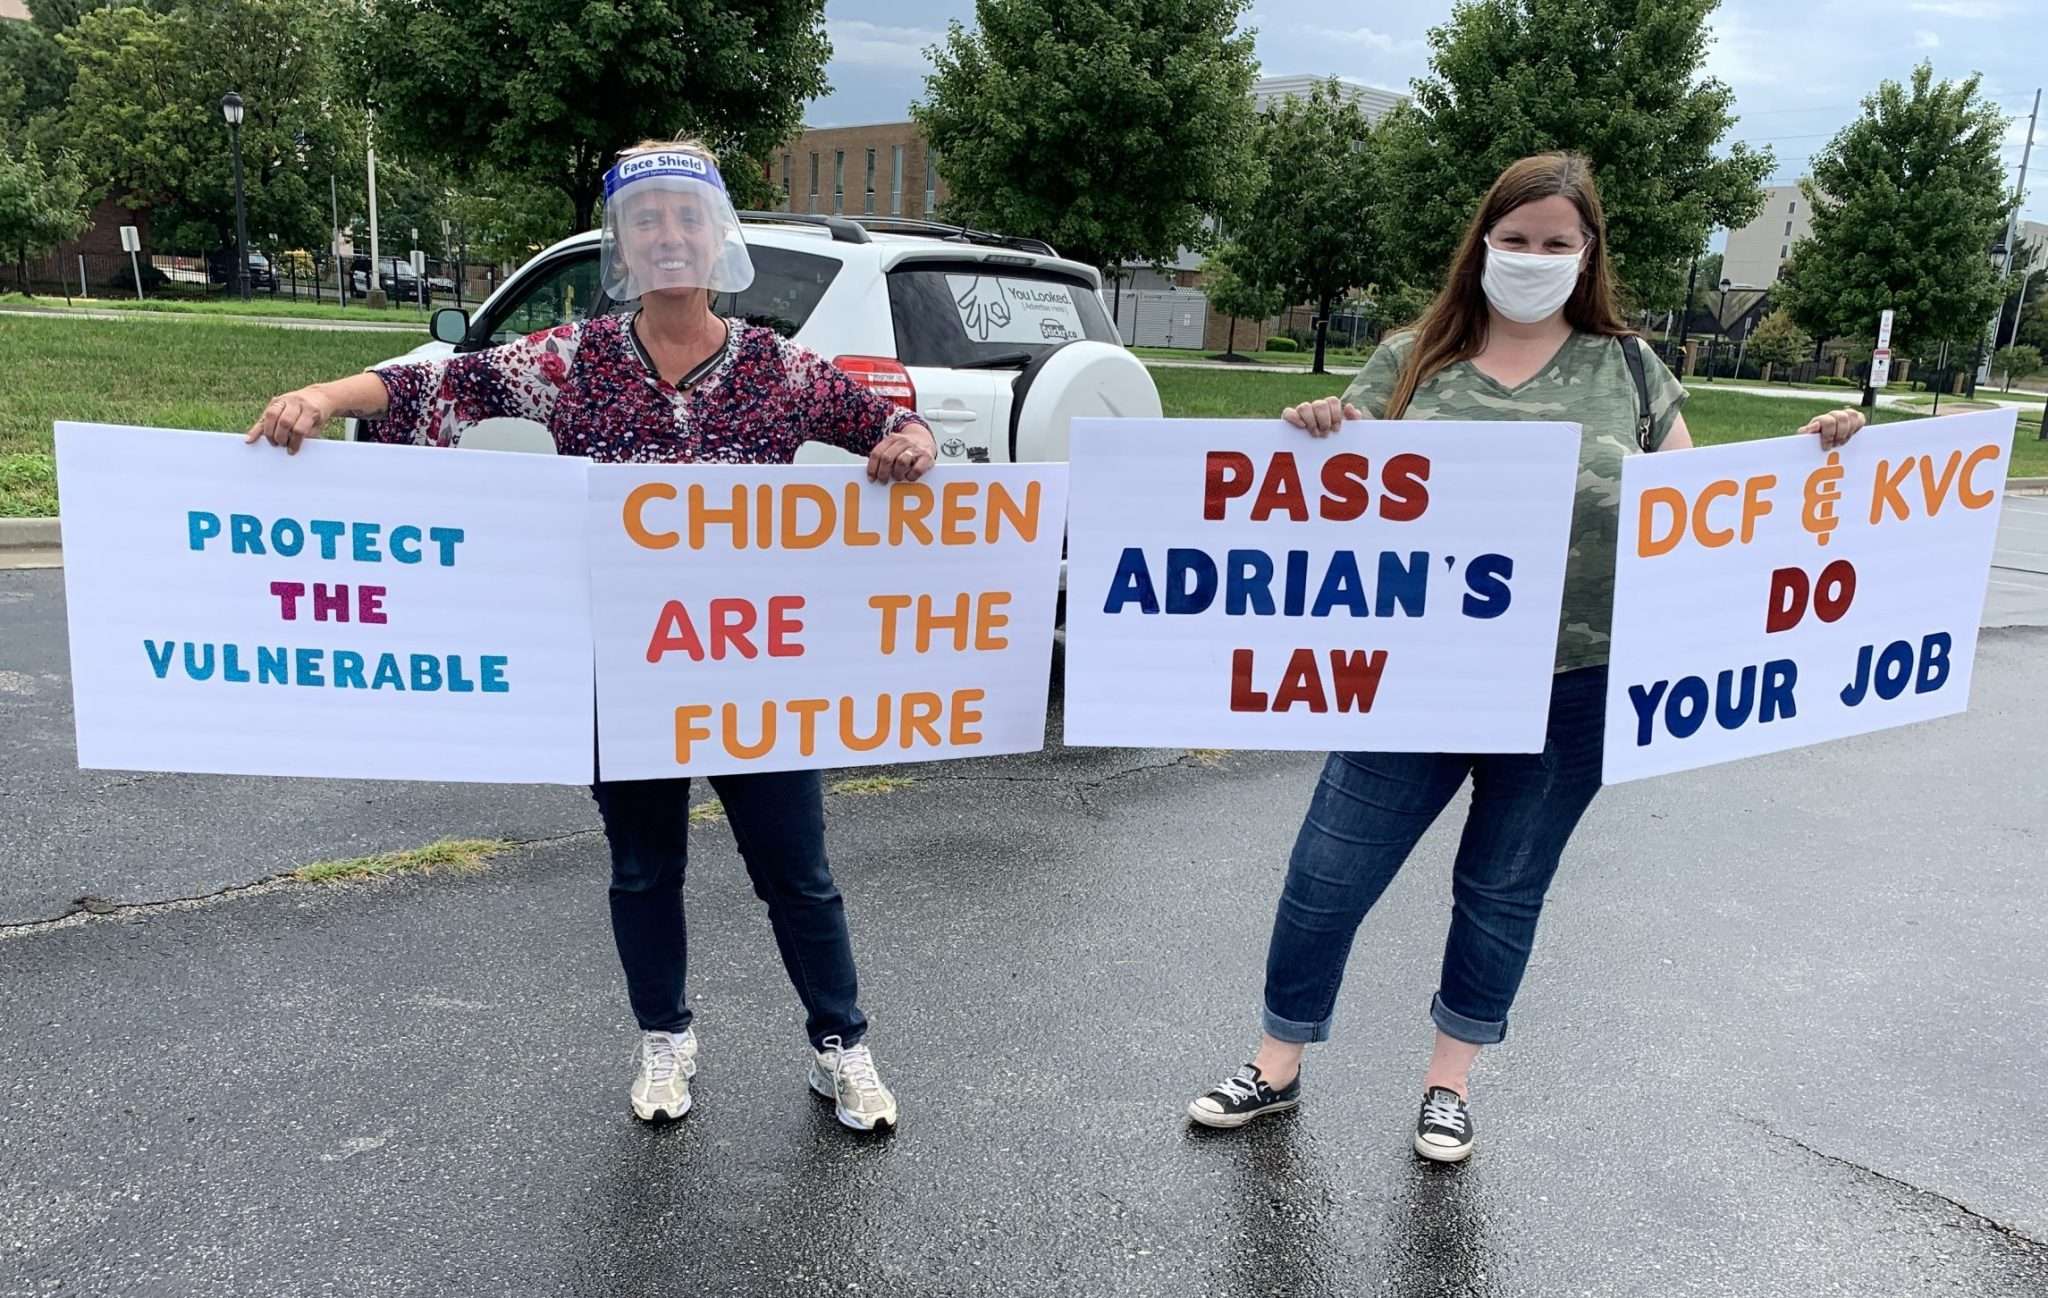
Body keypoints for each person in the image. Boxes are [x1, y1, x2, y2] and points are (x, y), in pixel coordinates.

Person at [246, 139, 939, 1131]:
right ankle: (664, 1034)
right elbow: (435, 388)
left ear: (717, 235)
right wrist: (320, 399)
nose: (668, 235)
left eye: (686, 216)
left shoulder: (778, 367)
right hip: (629, 668)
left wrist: (908, 443)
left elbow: (892, 424)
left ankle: (841, 1044)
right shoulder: (573, 360)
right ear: (621, 238)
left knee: (797, 869)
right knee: (643, 864)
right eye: (646, 217)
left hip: (755, 668)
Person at [1186, 152, 1867, 1161]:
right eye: (1514, 239)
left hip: (1574, 680)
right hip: (1419, 675)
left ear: (1586, 253)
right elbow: (1330, 504)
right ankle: (1274, 1061)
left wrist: (1814, 456)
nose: (1532, 257)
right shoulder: (1412, 359)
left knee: (1502, 884)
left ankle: (1447, 1083)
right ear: (1482, 243)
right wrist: (1316, 431)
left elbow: (1715, 510)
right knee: (1327, 871)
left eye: (1555, 242)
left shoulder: (1629, 368)